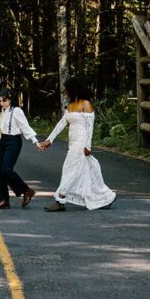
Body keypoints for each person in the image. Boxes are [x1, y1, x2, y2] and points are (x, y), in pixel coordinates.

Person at [37, 78, 116, 211]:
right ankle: (106, 197)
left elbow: (90, 127)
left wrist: (88, 146)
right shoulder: (71, 105)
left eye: (66, 89)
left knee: (69, 171)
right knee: (88, 171)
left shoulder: (86, 104)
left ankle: (60, 200)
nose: (65, 92)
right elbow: (61, 124)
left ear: (73, 89)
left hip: (81, 144)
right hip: (72, 144)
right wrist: (49, 140)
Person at [0, 88, 39, 209]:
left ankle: (26, 190)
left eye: (4, 100)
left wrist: (35, 141)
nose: (2, 102)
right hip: (3, 141)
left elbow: (25, 127)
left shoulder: (16, 111)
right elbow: (1, 130)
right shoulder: (2, 112)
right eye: (0, 100)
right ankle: (3, 200)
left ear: (10, 99)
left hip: (13, 142)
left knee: (6, 169)